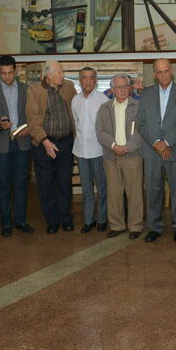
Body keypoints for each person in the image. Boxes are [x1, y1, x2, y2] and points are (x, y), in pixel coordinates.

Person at [138, 59, 176, 243]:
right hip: (152, 151)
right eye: (159, 72)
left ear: (172, 70)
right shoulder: (146, 94)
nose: (163, 75)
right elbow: (141, 122)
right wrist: (156, 143)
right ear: (154, 74)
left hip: (175, 150)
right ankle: (155, 227)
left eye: (166, 71)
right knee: (153, 191)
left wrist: (166, 142)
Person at [0, 56, 34, 237]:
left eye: (10, 73)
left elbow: (33, 115)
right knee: (3, 185)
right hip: (1, 145)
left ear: (16, 71)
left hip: (22, 143)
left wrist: (29, 128)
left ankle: (20, 220)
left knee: (21, 183)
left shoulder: (26, 89)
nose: (7, 77)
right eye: (3, 73)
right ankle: (6, 222)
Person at [27, 60, 77, 234]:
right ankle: (52, 220)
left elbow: (76, 108)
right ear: (48, 75)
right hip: (43, 144)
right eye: (59, 72)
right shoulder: (34, 91)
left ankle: (65, 218)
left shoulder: (69, 86)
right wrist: (45, 141)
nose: (63, 75)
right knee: (46, 184)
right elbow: (32, 121)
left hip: (66, 143)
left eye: (62, 72)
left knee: (64, 182)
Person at [97, 75, 144, 239]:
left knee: (134, 192)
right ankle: (117, 225)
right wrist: (113, 146)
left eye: (126, 86)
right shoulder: (104, 108)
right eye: (119, 87)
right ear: (112, 89)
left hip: (132, 154)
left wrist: (127, 147)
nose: (123, 89)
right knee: (114, 193)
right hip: (111, 156)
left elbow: (142, 130)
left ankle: (135, 226)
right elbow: (100, 132)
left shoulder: (138, 106)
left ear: (130, 88)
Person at [71, 66, 109, 233]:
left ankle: (102, 219)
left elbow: (107, 125)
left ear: (96, 80)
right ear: (80, 81)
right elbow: (76, 124)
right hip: (81, 151)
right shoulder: (75, 100)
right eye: (84, 77)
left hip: (99, 151)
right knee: (86, 189)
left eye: (91, 77)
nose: (88, 81)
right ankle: (89, 220)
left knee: (102, 187)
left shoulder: (103, 99)